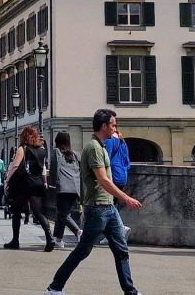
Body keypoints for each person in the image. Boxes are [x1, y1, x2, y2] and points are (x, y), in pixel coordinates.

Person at [45, 109, 143, 295]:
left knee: (121, 250)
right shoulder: (94, 148)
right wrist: (127, 198)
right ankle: (54, 288)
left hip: (108, 207)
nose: (116, 128)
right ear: (104, 126)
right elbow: (104, 180)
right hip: (97, 208)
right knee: (83, 250)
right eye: (113, 125)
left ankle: (131, 291)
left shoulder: (102, 147)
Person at [3, 125, 53, 251]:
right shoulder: (42, 150)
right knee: (38, 212)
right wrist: (45, 181)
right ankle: (49, 238)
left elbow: (15, 166)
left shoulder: (23, 148)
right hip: (38, 183)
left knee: (16, 211)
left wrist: (7, 181)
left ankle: (15, 240)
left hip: (24, 184)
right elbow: (43, 168)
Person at [48, 131, 82, 249]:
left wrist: (51, 184)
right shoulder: (76, 155)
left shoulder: (56, 152)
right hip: (75, 188)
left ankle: (78, 232)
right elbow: (80, 171)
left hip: (63, 188)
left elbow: (54, 169)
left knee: (63, 214)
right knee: (61, 212)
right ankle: (59, 239)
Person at [104, 129, 131, 205]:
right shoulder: (123, 142)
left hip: (113, 176)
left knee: (107, 205)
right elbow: (127, 163)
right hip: (122, 177)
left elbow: (105, 159)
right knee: (112, 204)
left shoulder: (109, 140)